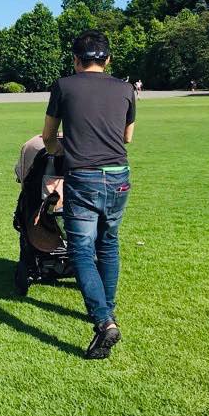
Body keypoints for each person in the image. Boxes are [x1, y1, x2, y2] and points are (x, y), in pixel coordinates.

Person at [42, 30, 136, 360]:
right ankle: (106, 308)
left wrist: (61, 150)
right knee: (108, 242)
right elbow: (127, 137)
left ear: (75, 59)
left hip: (83, 176)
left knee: (81, 249)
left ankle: (103, 321)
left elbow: (48, 135)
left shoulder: (64, 86)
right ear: (107, 59)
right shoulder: (125, 88)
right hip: (119, 175)